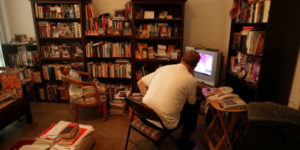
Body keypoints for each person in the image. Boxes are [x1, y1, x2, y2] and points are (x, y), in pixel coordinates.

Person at [137, 50, 201, 149]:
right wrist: (192, 77)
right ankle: (184, 141)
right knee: (195, 105)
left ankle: (187, 134)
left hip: (143, 115)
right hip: (163, 124)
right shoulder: (191, 80)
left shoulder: (164, 68)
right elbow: (191, 102)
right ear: (195, 66)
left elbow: (140, 82)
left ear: (182, 59)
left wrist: (147, 98)